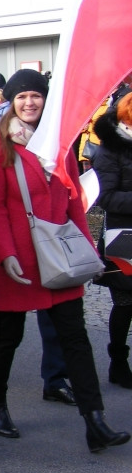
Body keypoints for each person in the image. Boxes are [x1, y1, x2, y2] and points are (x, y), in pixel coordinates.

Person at [0, 69, 130, 452]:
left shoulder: (59, 143)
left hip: (59, 255)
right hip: (17, 259)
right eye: (22, 97)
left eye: (36, 95)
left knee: (74, 338)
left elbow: (72, 199)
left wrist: (84, 245)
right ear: (10, 102)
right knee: (6, 339)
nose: (30, 103)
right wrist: (7, 254)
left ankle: (94, 420)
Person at [93, 91, 132, 389]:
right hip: (124, 237)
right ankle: (118, 362)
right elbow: (104, 197)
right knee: (126, 303)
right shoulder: (109, 150)